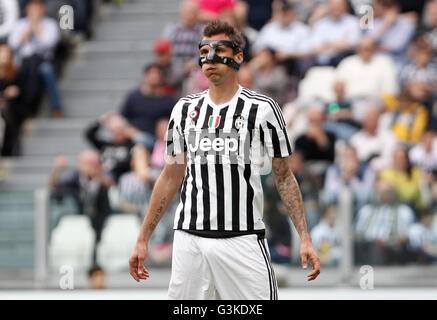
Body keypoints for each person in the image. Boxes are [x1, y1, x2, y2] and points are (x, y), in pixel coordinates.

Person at [129, 20, 320, 300]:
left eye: (219, 49)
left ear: (239, 56)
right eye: (203, 50)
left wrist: (304, 237)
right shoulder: (183, 109)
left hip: (242, 238)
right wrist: (143, 238)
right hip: (189, 239)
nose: (210, 58)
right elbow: (171, 176)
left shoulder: (263, 109)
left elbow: (283, 175)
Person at [49, 151, 113, 260]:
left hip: (103, 216)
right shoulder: (75, 177)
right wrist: (57, 169)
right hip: (81, 215)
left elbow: (111, 185)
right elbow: (54, 184)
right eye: (84, 163)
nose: (86, 167)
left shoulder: (104, 174)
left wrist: (95, 175)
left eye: (91, 164)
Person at [7, 0, 63, 118]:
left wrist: (36, 27)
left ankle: (56, 107)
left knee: (46, 71)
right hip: (23, 62)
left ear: (43, 11)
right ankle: (22, 109)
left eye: (37, 10)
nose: (34, 13)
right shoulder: (19, 24)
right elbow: (13, 45)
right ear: (26, 11)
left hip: (43, 60)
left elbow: (49, 44)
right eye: (32, 10)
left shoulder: (50, 24)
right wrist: (27, 30)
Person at [355, 181, 415, 265]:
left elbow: (409, 235)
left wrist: (394, 241)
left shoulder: (404, 211)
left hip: (392, 246)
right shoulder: (366, 210)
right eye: (380, 192)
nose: (385, 195)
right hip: (367, 246)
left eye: (388, 192)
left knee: (379, 250)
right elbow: (358, 232)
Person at [120, 64, 175, 152]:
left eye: (157, 74)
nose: (154, 77)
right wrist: (130, 131)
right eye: (151, 74)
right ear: (145, 77)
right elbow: (122, 118)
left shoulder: (168, 100)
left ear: (162, 78)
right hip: (133, 139)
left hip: (158, 143)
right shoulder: (133, 97)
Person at [84, 112, 136, 183]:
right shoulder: (106, 145)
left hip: (119, 177)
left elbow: (128, 163)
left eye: (119, 129)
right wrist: (101, 121)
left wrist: (109, 167)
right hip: (101, 173)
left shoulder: (131, 144)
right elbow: (89, 135)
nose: (117, 132)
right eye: (114, 130)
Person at [309, 0, 361, 66]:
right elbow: (314, 49)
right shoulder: (320, 24)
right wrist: (341, 43)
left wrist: (327, 45)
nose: (336, 8)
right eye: (334, 5)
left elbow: (353, 43)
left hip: (345, 63)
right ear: (329, 7)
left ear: (345, 6)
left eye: (339, 5)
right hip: (323, 64)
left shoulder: (352, 22)